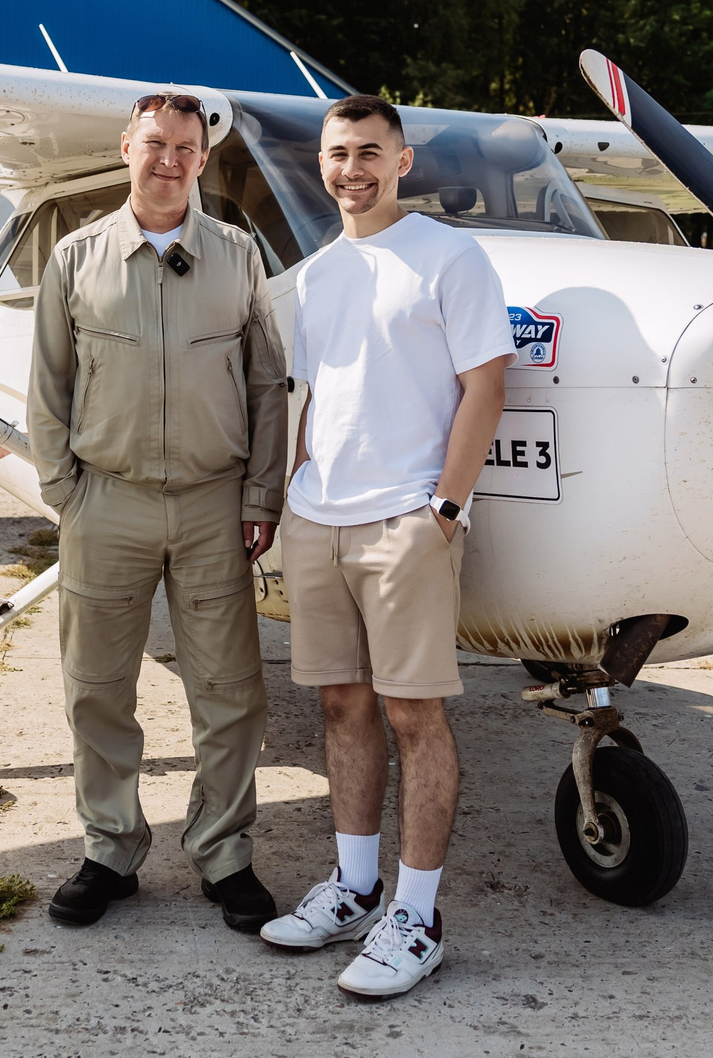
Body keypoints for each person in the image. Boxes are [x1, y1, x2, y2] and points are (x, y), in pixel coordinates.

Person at [258, 93, 510, 1000]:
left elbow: (487, 385)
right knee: (342, 706)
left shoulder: (450, 255)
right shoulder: (319, 273)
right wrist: (296, 488)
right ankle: (356, 888)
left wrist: (443, 509)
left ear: (402, 162)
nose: (351, 168)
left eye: (369, 151)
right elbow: (318, 395)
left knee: (414, 716)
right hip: (318, 516)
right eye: (338, 153)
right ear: (321, 164)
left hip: (407, 519)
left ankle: (418, 916)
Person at [28, 90, 289, 932]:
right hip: (107, 501)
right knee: (97, 687)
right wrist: (67, 493)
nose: (169, 159)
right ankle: (109, 847)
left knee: (230, 691)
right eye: (154, 142)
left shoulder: (238, 256)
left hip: (214, 503)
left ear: (202, 159)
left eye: (185, 146)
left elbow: (266, 383)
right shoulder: (75, 259)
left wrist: (261, 491)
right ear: (126, 147)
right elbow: (48, 388)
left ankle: (224, 851)